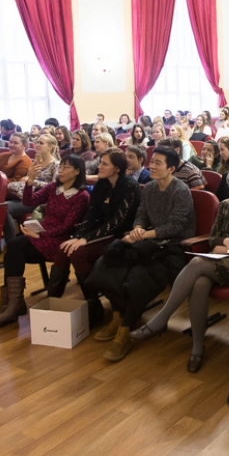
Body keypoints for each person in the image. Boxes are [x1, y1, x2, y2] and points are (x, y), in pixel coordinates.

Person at [131, 159, 229, 372]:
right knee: (199, 284)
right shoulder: (226, 204)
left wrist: (227, 249)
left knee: (198, 262)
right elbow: (214, 237)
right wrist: (226, 242)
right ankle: (197, 348)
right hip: (221, 260)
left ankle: (161, 319)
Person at [84, 147, 195, 362]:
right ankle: (117, 316)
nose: (151, 166)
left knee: (138, 281)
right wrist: (137, 229)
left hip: (170, 247)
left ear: (171, 168)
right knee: (106, 266)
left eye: (158, 163)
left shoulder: (181, 191)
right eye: (152, 161)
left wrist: (144, 234)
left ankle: (125, 332)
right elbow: (141, 215)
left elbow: (176, 226)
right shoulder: (150, 188)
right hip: (146, 241)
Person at [0, 155, 90, 330]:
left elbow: (67, 226)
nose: (61, 171)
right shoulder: (53, 188)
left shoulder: (81, 196)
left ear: (77, 171)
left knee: (15, 248)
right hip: (41, 234)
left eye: (66, 168)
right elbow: (28, 202)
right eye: (60, 167)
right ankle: (11, 304)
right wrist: (30, 181)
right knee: (13, 246)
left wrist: (40, 235)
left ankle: (12, 305)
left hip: (58, 241)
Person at [50, 149, 141, 298]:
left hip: (122, 236)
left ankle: (92, 304)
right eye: (100, 163)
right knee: (64, 248)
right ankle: (52, 300)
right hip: (103, 233)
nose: (100, 167)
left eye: (105, 164)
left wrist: (86, 239)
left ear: (117, 169)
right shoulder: (102, 184)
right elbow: (90, 214)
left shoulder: (130, 186)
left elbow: (117, 223)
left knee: (77, 252)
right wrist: (78, 236)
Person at [7, 133, 59, 201]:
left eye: (41, 143)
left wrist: (32, 181)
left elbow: (54, 186)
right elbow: (29, 178)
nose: (37, 145)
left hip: (42, 197)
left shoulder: (56, 164)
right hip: (29, 193)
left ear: (50, 147)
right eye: (37, 142)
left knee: (6, 207)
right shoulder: (37, 161)